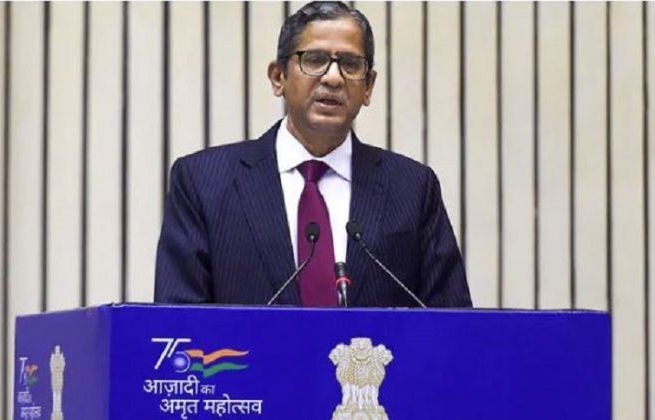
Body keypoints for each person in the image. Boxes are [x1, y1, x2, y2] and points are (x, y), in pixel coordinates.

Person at [154, 1, 471, 308]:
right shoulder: (204, 183)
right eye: (315, 60)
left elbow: (454, 323)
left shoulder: (412, 188)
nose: (333, 78)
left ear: (368, 86)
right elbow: (177, 322)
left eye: (350, 64)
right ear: (278, 77)